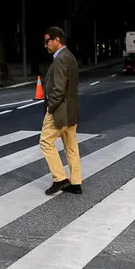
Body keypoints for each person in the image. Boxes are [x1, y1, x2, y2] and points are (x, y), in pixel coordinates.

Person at [40, 26, 82, 196]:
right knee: (71, 147)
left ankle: (60, 178)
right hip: (71, 111)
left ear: (57, 40)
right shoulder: (69, 56)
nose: (45, 45)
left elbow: (59, 89)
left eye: (47, 41)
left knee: (45, 142)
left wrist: (51, 108)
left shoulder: (61, 59)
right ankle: (76, 183)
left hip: (60, 111)